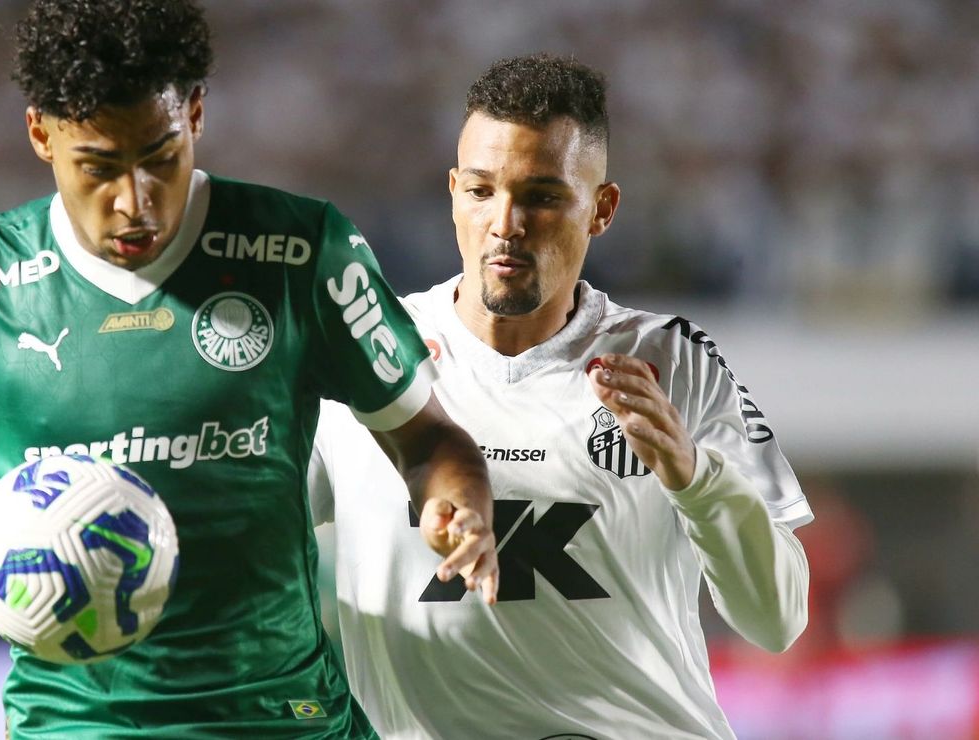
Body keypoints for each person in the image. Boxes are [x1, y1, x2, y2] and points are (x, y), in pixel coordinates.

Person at [0, 1, 499, 737]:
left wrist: (458, 502)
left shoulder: (300, 251)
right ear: (40, 133)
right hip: (78, 724)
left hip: (283, 715)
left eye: (160, 156)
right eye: (97, 166)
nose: (135, 201)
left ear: (194, 112)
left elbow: (430, 440)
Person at [308, 54, 813, 740]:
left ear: (601, 209)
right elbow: (240, 555)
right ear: (453, 191)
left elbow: (776, 620)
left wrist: (695, 478)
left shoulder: (671, 361)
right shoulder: (363, 358)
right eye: (481, 191)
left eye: (542, 196)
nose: (505, 222)